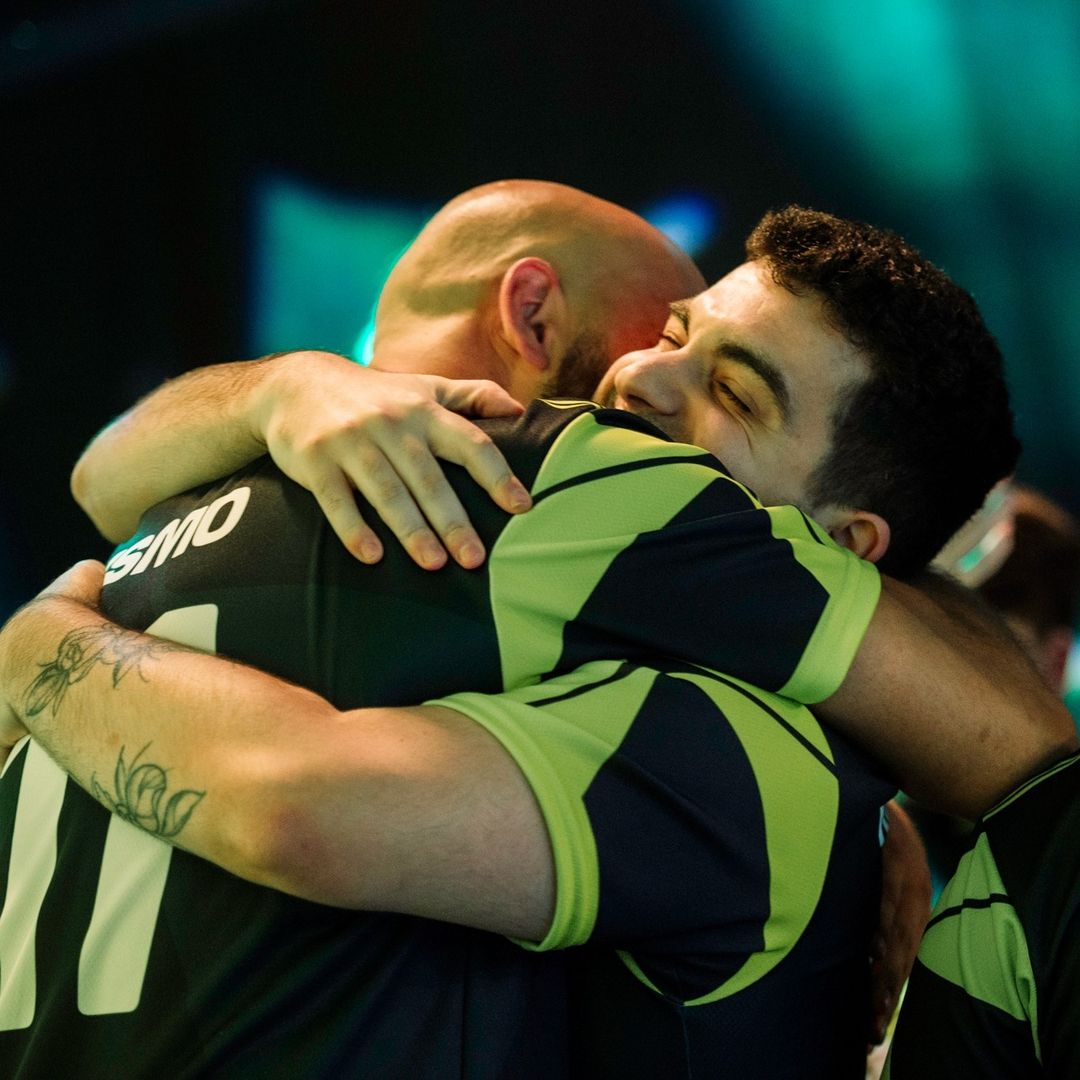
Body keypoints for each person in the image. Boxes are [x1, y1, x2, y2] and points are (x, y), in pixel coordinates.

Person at [0, 193, 1071, 1077]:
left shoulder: (171, 518)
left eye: (732, 392)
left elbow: (97, 474)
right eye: (668, 332)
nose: (641, 383)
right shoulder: (612, 523)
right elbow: (1030, 769)